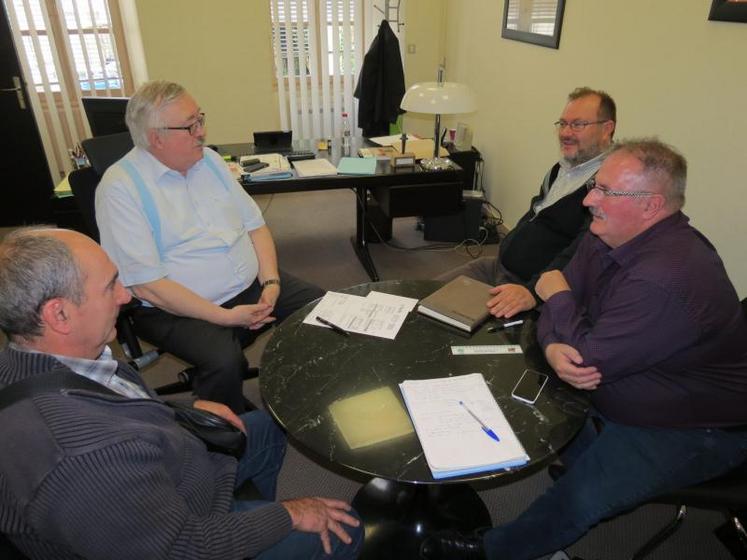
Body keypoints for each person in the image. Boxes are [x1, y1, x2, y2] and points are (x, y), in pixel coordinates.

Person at [421, 139, 747, 560]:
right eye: (595, 184)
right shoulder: (608, 231)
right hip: (617, 374)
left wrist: (557, 315)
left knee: (578, 498)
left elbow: (563, 310)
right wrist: (556, 341)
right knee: (517, 372)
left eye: (605, 191)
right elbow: (558, 291)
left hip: (688, 424)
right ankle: (578, 451)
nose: (590, 199)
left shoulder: (667, 277)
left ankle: (493, 551)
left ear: (650, 206)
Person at [0, 227, 362, 560]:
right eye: (111, 286)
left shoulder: (38, 361)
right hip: (184, 532)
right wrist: (288, 515)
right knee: (345, 531)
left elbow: (115, 408)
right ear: (59, 314)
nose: (126, 296)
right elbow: (182, 548)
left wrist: (181, 411)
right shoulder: (84, 460)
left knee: (270, 429)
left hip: (171, 474)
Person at [95, 80, 324, 414]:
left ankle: (297, 385)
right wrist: (225, 317)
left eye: (200, 118)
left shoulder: (210, 162)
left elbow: (255, 227)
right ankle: (224, 427)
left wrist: (271, 283)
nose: (201, 132)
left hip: (250, 286)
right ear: (156, 137)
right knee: (224, 361)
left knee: (321, 309)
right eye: (191, 125)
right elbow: (148, 284)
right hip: (174, 308)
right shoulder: (120, 189)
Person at [437, 87, 616, 319]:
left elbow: (582, 252)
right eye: (562, 124)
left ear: (607, 129)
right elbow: (537, 214)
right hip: (498, 267)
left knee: (440, 319)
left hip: (522, 290)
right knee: (416, 296)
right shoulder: (564, 168)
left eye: (578, 124)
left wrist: (532, 292)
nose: (566, 133)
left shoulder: (607, 184)